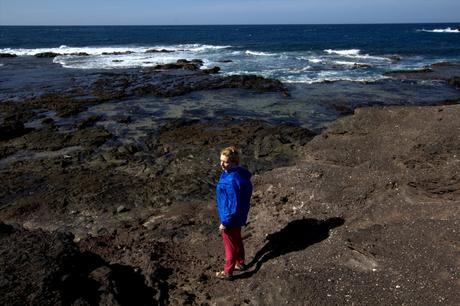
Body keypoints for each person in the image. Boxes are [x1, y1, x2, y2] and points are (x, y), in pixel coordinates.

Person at [215, 146, 253, 280]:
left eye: (225, 162)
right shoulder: (239, 173)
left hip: (231, 218)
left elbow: (232, 205)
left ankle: (228, 271)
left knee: (229, 245)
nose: (222, 164)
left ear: (234, 162)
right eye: (221, 161)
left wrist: (225, 222)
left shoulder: (231, 181)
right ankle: (240, 263)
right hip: (240, 216)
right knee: (237, 239)